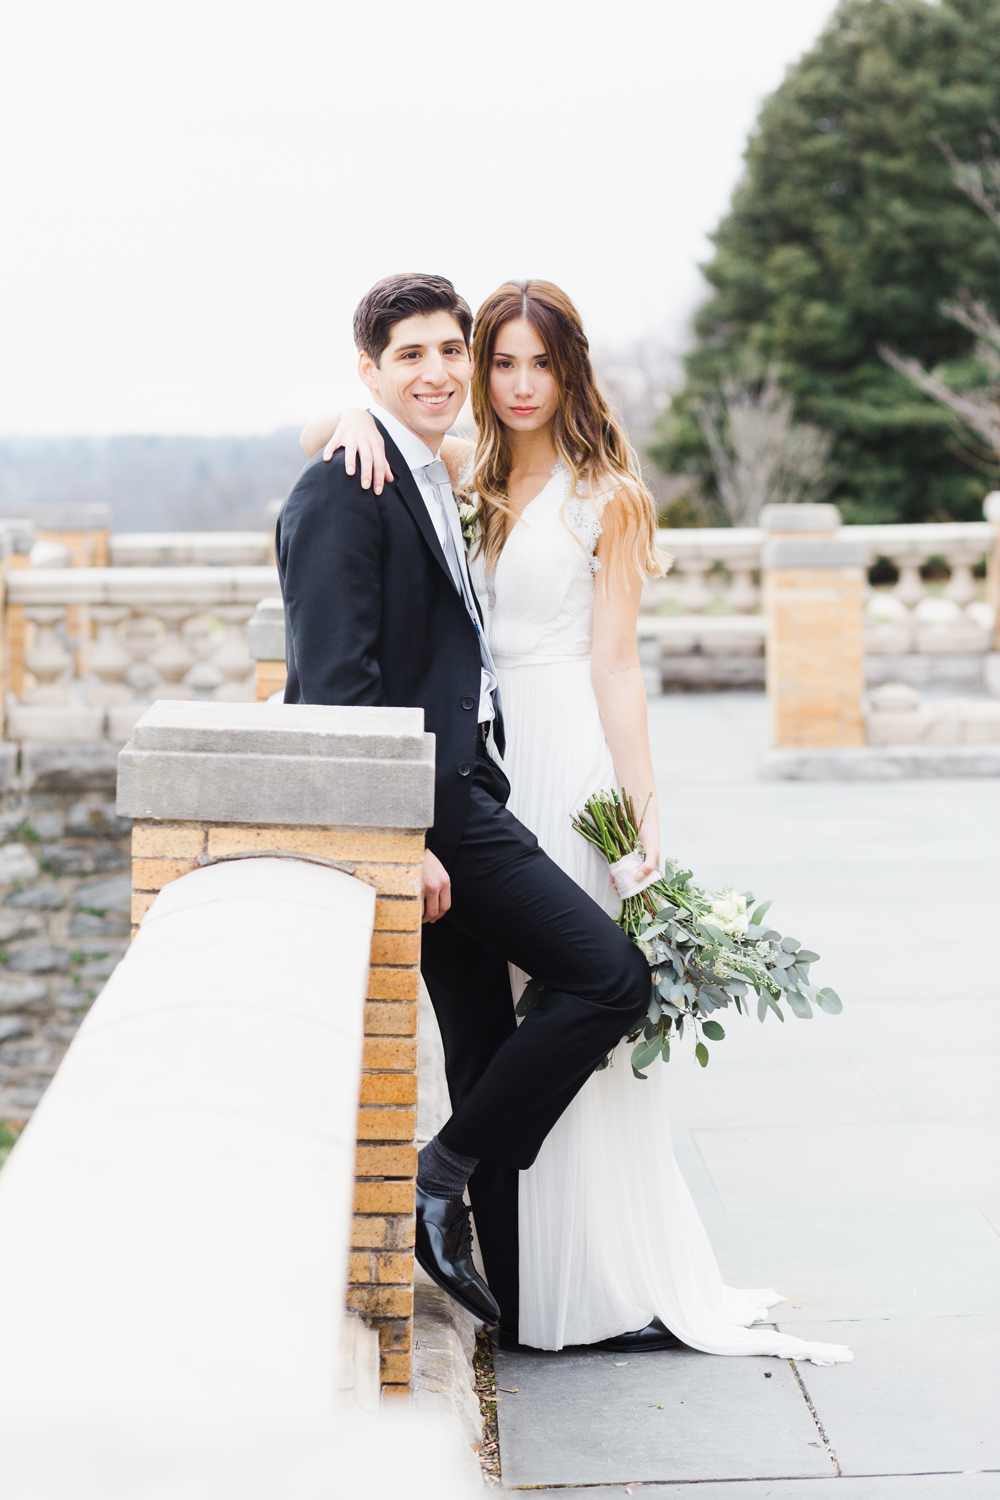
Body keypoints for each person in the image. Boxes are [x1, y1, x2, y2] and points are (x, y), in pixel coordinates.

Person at [303, 278, 853, 1367]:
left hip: (564, 764)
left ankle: (582, 1264)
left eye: (537, 364)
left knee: (590, 999)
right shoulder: (461, 472)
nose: (515, 385)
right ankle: (522, 1290)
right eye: (498, 363)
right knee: (485, 1033)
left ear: (570, 371)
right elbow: (345, 429)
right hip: (475, 769)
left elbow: (617, 669)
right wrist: (351, 417)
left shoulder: (609, 495)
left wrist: (641, 821)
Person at [277, 272, 659, 1353]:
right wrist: (400, 834)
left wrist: (645, 822)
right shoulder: (384, 474)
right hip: (443, 799)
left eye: (458, 352)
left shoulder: (456, 472)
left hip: (510, 774)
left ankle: (519, 1291)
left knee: (523, 1024)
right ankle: (444, 1182)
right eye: (422, 356)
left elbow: (617, 665)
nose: (455, 373)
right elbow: (335, 688)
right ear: (373, 370)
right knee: (589, 988)